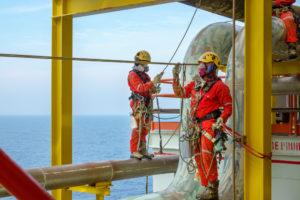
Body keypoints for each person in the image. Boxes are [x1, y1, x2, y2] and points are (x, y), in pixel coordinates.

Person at [172, 52, 232, 200]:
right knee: (198, 156)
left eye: (203, 65)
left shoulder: (220, 87)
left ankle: (212, 190)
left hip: (209, 124)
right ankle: (206, 187)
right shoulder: (196, 84)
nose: (200, 68)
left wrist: (221, 119)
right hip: (196, 125)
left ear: (211, 66)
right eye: (200, 65)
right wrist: (175, 78)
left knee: (207, 156)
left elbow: (228, 107)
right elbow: (181, 93)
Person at [128, 50, 163, 159]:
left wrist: (154, 87)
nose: (146, 66)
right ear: (138, 63)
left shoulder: (145, 76)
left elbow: (148, 89)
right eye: (145, 64)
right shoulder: (132, 75)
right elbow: (140, 88)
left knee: (145, 128)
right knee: (137, 128)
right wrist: (152, 83)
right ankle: (134, 150)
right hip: (138, 105)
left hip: (146, 104)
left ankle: (142, 150)